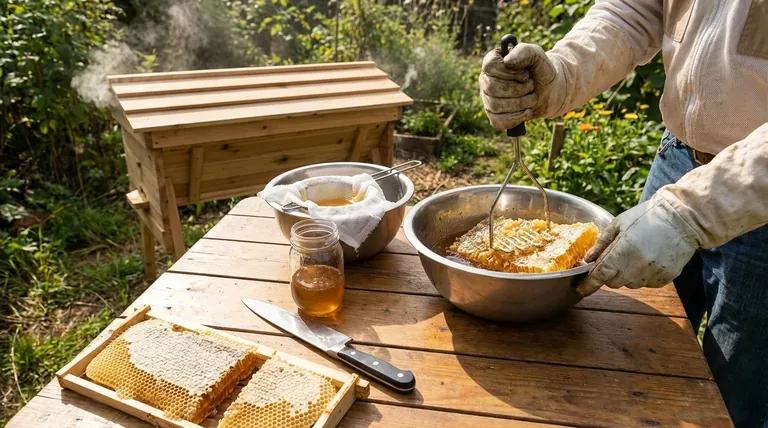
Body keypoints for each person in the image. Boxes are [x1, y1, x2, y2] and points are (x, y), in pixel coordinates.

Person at [480, 1, 768, 426]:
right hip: (678, 161)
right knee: (631, 355)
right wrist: (561, 75)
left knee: (736, 396)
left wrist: (692, 212)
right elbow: (633, 10)